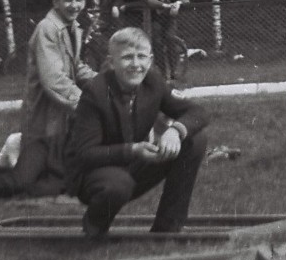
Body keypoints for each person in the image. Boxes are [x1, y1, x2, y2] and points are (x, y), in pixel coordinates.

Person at [66, 27, 208, 237]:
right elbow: (86, 154)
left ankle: (168, 227)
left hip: (132, 165)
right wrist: (133, 150)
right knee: (118, 185)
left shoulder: (153, 82)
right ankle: (95, 224)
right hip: (91, 175)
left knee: (194, 139)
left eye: (141, 57)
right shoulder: (95, 92)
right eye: (127, 58)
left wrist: (175, 131)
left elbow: (196, 111)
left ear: (150, 60)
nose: (136, 65)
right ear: (111, 62)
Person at [0, 0, 97, 199]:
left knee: (54, 176)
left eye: (79, 0)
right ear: (55, 2)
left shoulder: (74, 28)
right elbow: (53, 79)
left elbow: (76, 66)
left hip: (61, 114)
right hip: (43, 113)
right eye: (68, 0)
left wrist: (105, 83)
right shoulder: (47, 29)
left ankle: (20, 183)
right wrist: (87, 103)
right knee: (26, 175)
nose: (74, 5)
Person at [147, 0, 190, 84]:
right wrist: (165, 5)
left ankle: (173, 71)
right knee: (157, 44)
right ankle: (162, 72)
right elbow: (151, 1)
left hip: (170, 20)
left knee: (171, 40)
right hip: (157, 20)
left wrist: (178, 3)